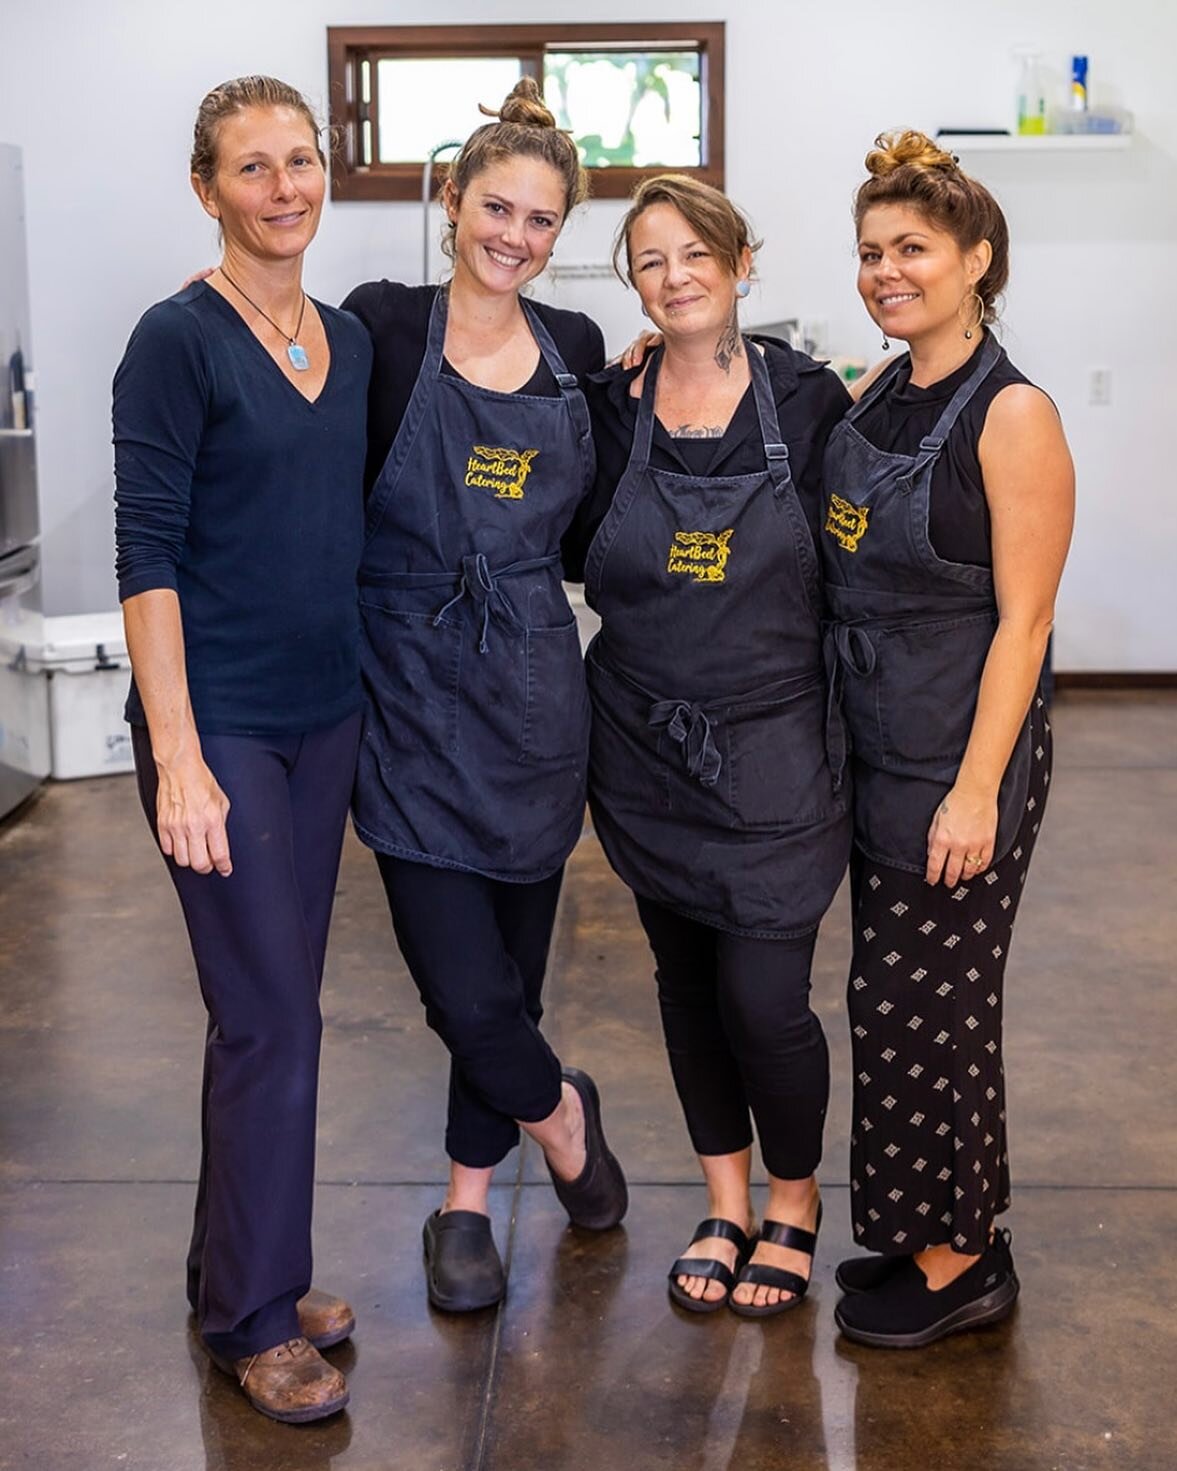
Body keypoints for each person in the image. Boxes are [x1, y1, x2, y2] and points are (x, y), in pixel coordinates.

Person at [342, 77, 626, 1314]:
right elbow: (314, 488)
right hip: (405, 689)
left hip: (527, 691)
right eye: (496, 207)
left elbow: (594, 530)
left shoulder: (572, 349)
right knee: (458, 984)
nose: (515, 236)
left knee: (511, 977)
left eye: (542, 220)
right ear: (451, 201)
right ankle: (560, 1115)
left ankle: (465, 1202)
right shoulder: (381, 327)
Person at [114, 76, 372, 1422]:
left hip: (326, 715)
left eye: (300, 161)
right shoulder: (177, 340)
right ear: (209, 189)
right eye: (252, 168)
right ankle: (256, 1321)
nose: (285, 188)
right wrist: (177, 754)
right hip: (219, 724)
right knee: (269, 1012)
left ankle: (237, 1265)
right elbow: (146, 555)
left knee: (275, 1007)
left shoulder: (346, 341)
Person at [570, 175, 852, 1316]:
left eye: (696, 254)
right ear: (632, 282)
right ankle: (726, 1200)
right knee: (684, 986)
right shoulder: (609, 405)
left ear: (742, 263)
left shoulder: (812, 400)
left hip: (779, 751)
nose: (675, 275)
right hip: (641, 746)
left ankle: (795, 1200)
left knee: (764, 998)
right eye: (650, 260)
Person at [824, 132, 1074, 1348]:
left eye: (912, 249)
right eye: (871, 251)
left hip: (959, 757)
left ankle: (965, 1259)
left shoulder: (1010, 412)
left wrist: (977, 790)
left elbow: (1024, 622)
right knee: (891, 999)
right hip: (881, 742)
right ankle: (928, 1231)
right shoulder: (881, 386)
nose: (885, 270)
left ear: (977, 259)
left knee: (939, 1003)